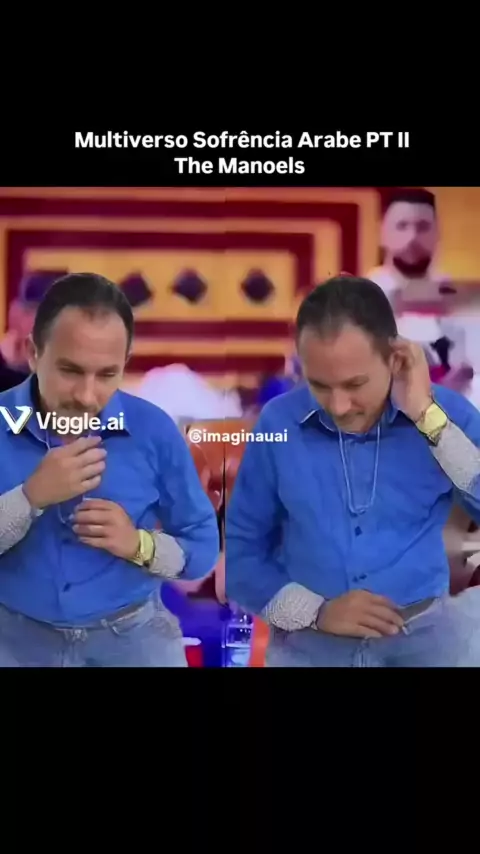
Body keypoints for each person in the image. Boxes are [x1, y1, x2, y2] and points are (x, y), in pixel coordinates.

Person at [225, 275, 480, 667]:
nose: (339, 405)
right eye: (319, 385)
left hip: (426, 645)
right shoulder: (278, 423)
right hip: (307, 649)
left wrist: (425, 417)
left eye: (355, 384)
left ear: (395, 358)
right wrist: (317, 612)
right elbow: (242, 558)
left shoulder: (446, 414)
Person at [0, 272, 220, 666]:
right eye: (70, 371)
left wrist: (139, 545)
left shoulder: (153, 430)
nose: (87, 396)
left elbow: (201, 551)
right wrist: (29, 499)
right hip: (15, 642)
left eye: (106, 374)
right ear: (34, 353)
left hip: (133, 641)